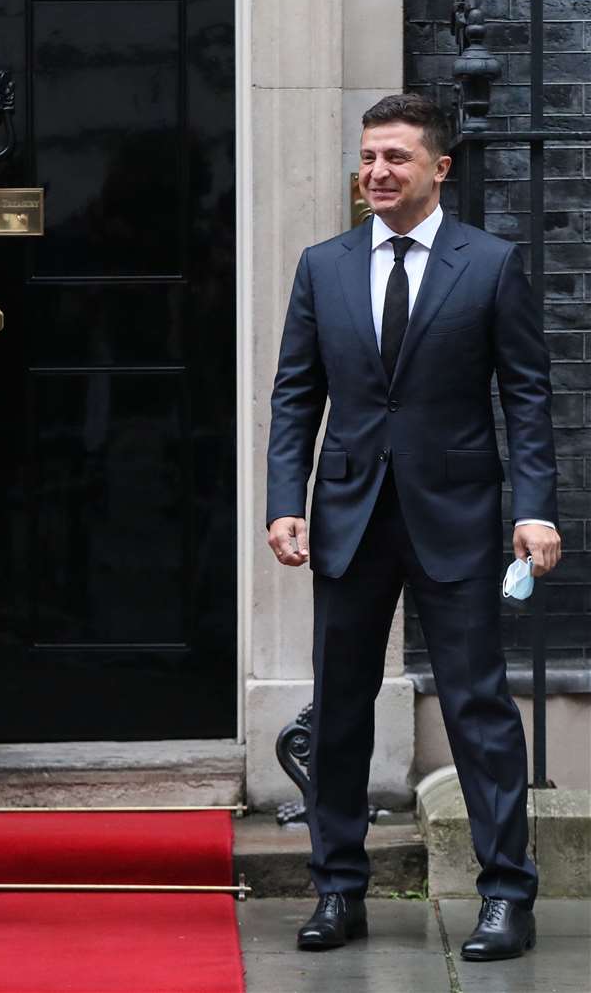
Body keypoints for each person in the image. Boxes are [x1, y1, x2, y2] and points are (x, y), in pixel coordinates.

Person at [266, 94, 561, 963]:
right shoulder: (323, 265)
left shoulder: (492, 264)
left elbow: (528, 395)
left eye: (396, 156)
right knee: (340, 711)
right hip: (351, 516)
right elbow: (295, 394)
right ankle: (337, 888)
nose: (377, 171)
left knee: (478, 708)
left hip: (458, 517)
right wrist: (289, 497)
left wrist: (534, 506)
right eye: (368, 157)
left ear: (439, 168)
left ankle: (507, 895)